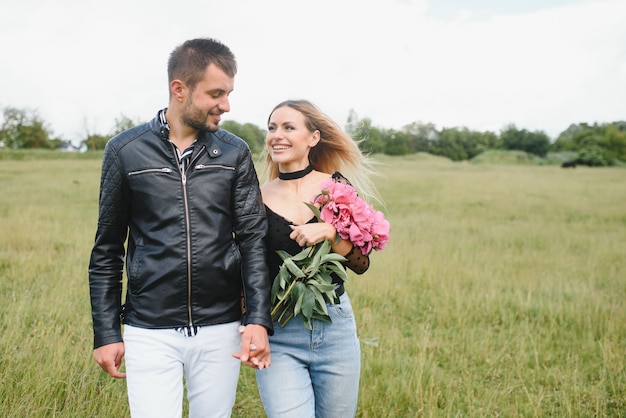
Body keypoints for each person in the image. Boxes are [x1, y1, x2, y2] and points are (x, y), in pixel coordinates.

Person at [88, 38, 272, 418]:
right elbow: (107, 249)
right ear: (179, 89)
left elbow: (253, 240)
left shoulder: (234, 152)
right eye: (216, 93)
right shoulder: (125, 151)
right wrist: (106, 333)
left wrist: (256, 317)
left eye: (229, 93)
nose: (226, 105)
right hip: (149, 329)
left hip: (221, 327)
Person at [252, 99, 382, 417]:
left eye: (288, 127)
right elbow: (247, 267)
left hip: (334, 326)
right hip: (280, 330)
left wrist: (331, 235)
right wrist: (251, 324)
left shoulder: (336, 190)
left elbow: (361, 264)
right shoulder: (255, 197)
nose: (276, 135)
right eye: (272, 128)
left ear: (313, 138)